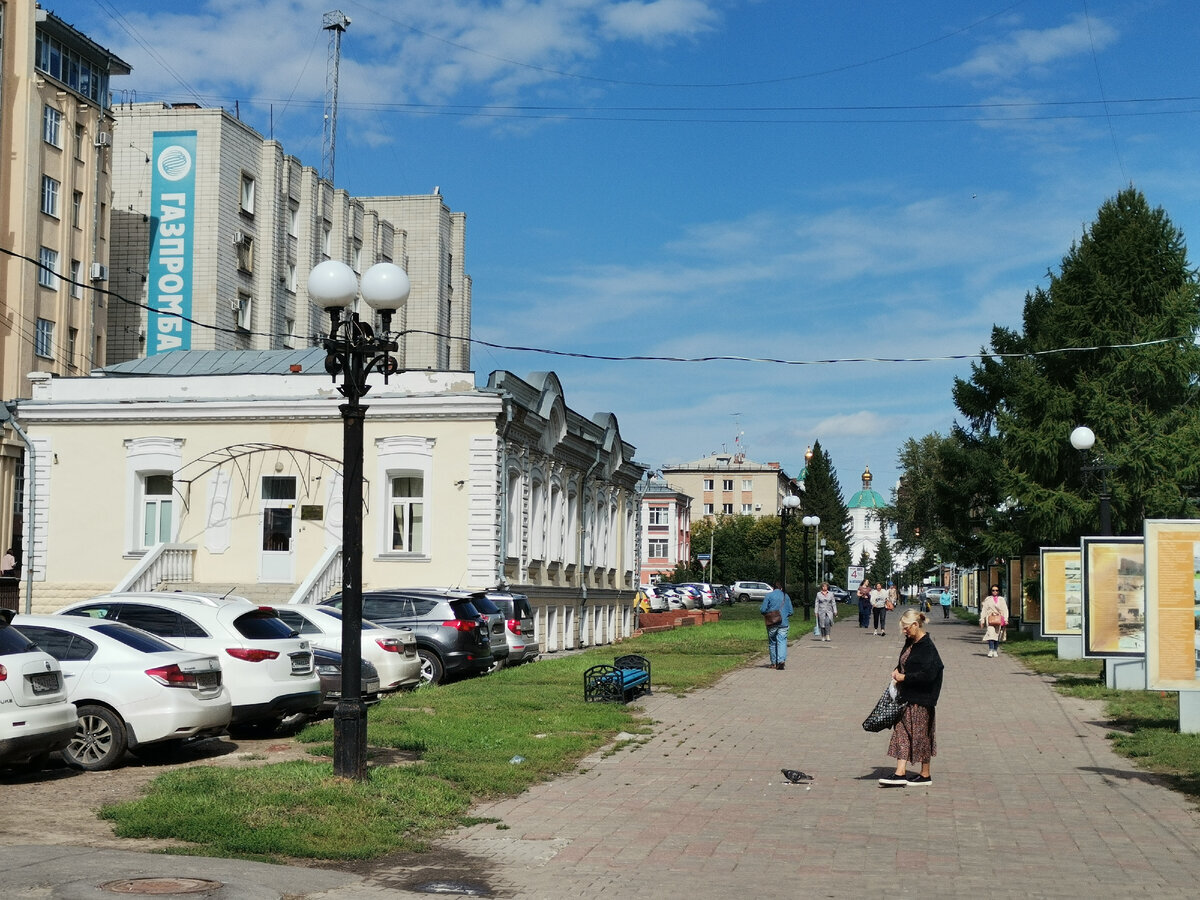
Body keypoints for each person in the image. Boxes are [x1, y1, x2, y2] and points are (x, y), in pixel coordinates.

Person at [878, 608, 944, 787]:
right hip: (906, 696)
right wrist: (897, 670)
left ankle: (925, 774)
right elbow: (906, 661)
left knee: (922, 736)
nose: (904, 631)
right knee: (901, 732)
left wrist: (905, 677)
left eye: (906, 627)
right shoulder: (911, 642)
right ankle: (900, 773)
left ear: (916, 625)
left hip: (922, 700)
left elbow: (930, 674)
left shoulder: (927, 647)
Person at [759, 580, 793, 670]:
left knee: (773, 642)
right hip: (784, 623)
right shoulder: (786, 596)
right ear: (781, 588)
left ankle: (774, 663)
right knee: (782, 641)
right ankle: (781, 661)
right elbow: (791, 611)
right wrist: (784, 615)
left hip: (772, 623)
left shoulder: (769, 596)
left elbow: (762, 610)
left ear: (773, 588)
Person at [979, 585, 1009, 658]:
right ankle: (990, 650)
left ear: (999, 591)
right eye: (993, 590)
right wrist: (982, 620)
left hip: (999, 619)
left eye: (996, 590)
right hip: (990, 619)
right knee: (990, 634)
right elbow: (984, 610)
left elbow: (1005, 609)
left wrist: (1006, 619)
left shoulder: (1001, 599)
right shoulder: (988, 599)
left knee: (997, 635)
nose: (995, 592)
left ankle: (995, 650)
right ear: (991, 591)